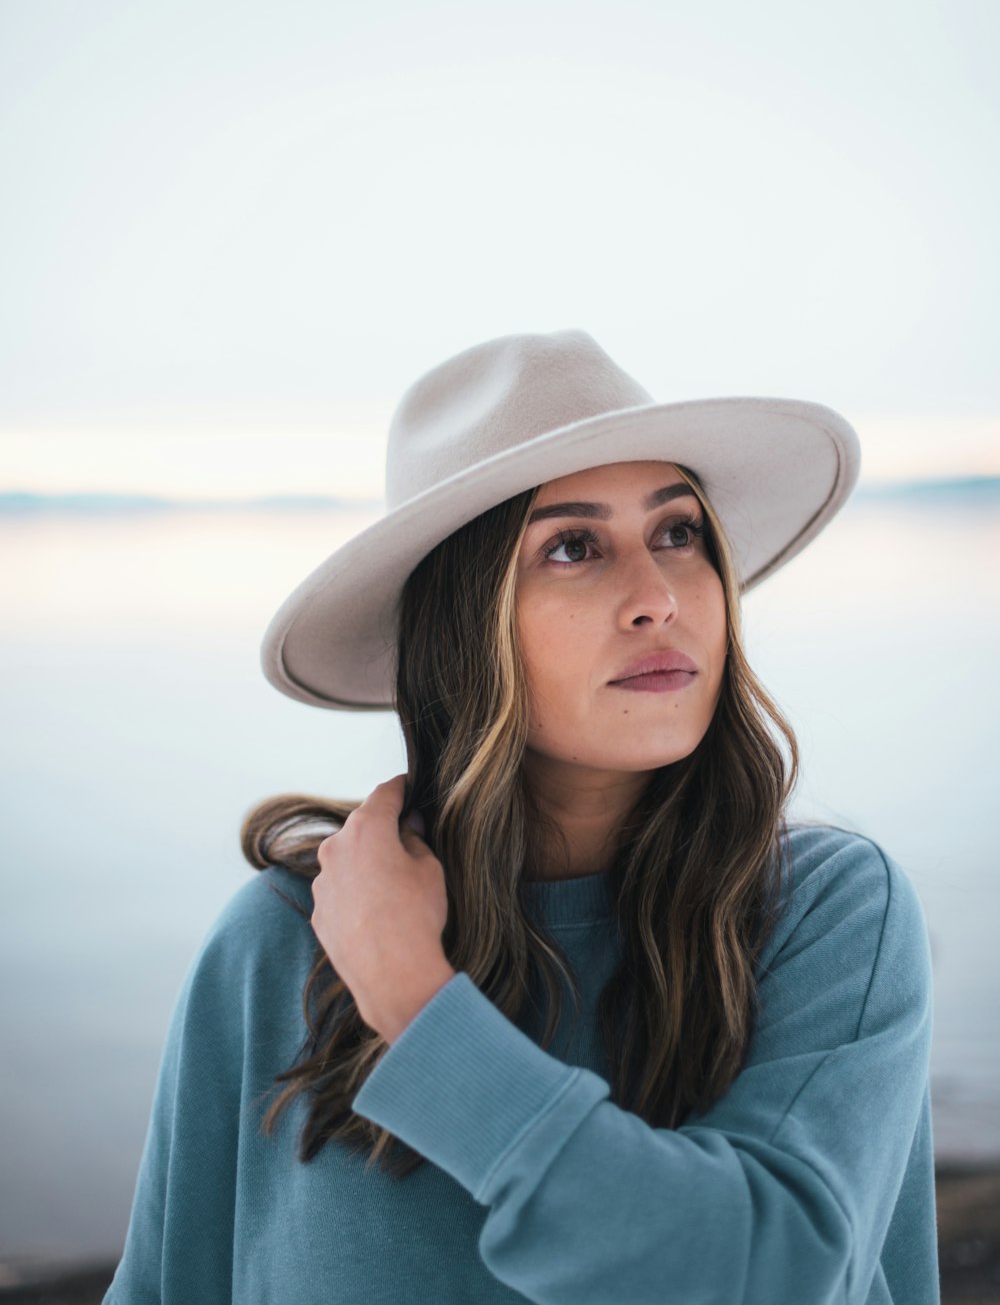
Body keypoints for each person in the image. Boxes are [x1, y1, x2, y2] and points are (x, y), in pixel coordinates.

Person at [105, 329, 939, 1304]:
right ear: (461, 627)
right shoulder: (285, 941)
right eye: (573, 547)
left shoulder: (828, 915)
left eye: (679, 532)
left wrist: (417, 1005)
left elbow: (775, 1278)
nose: (659, 597)